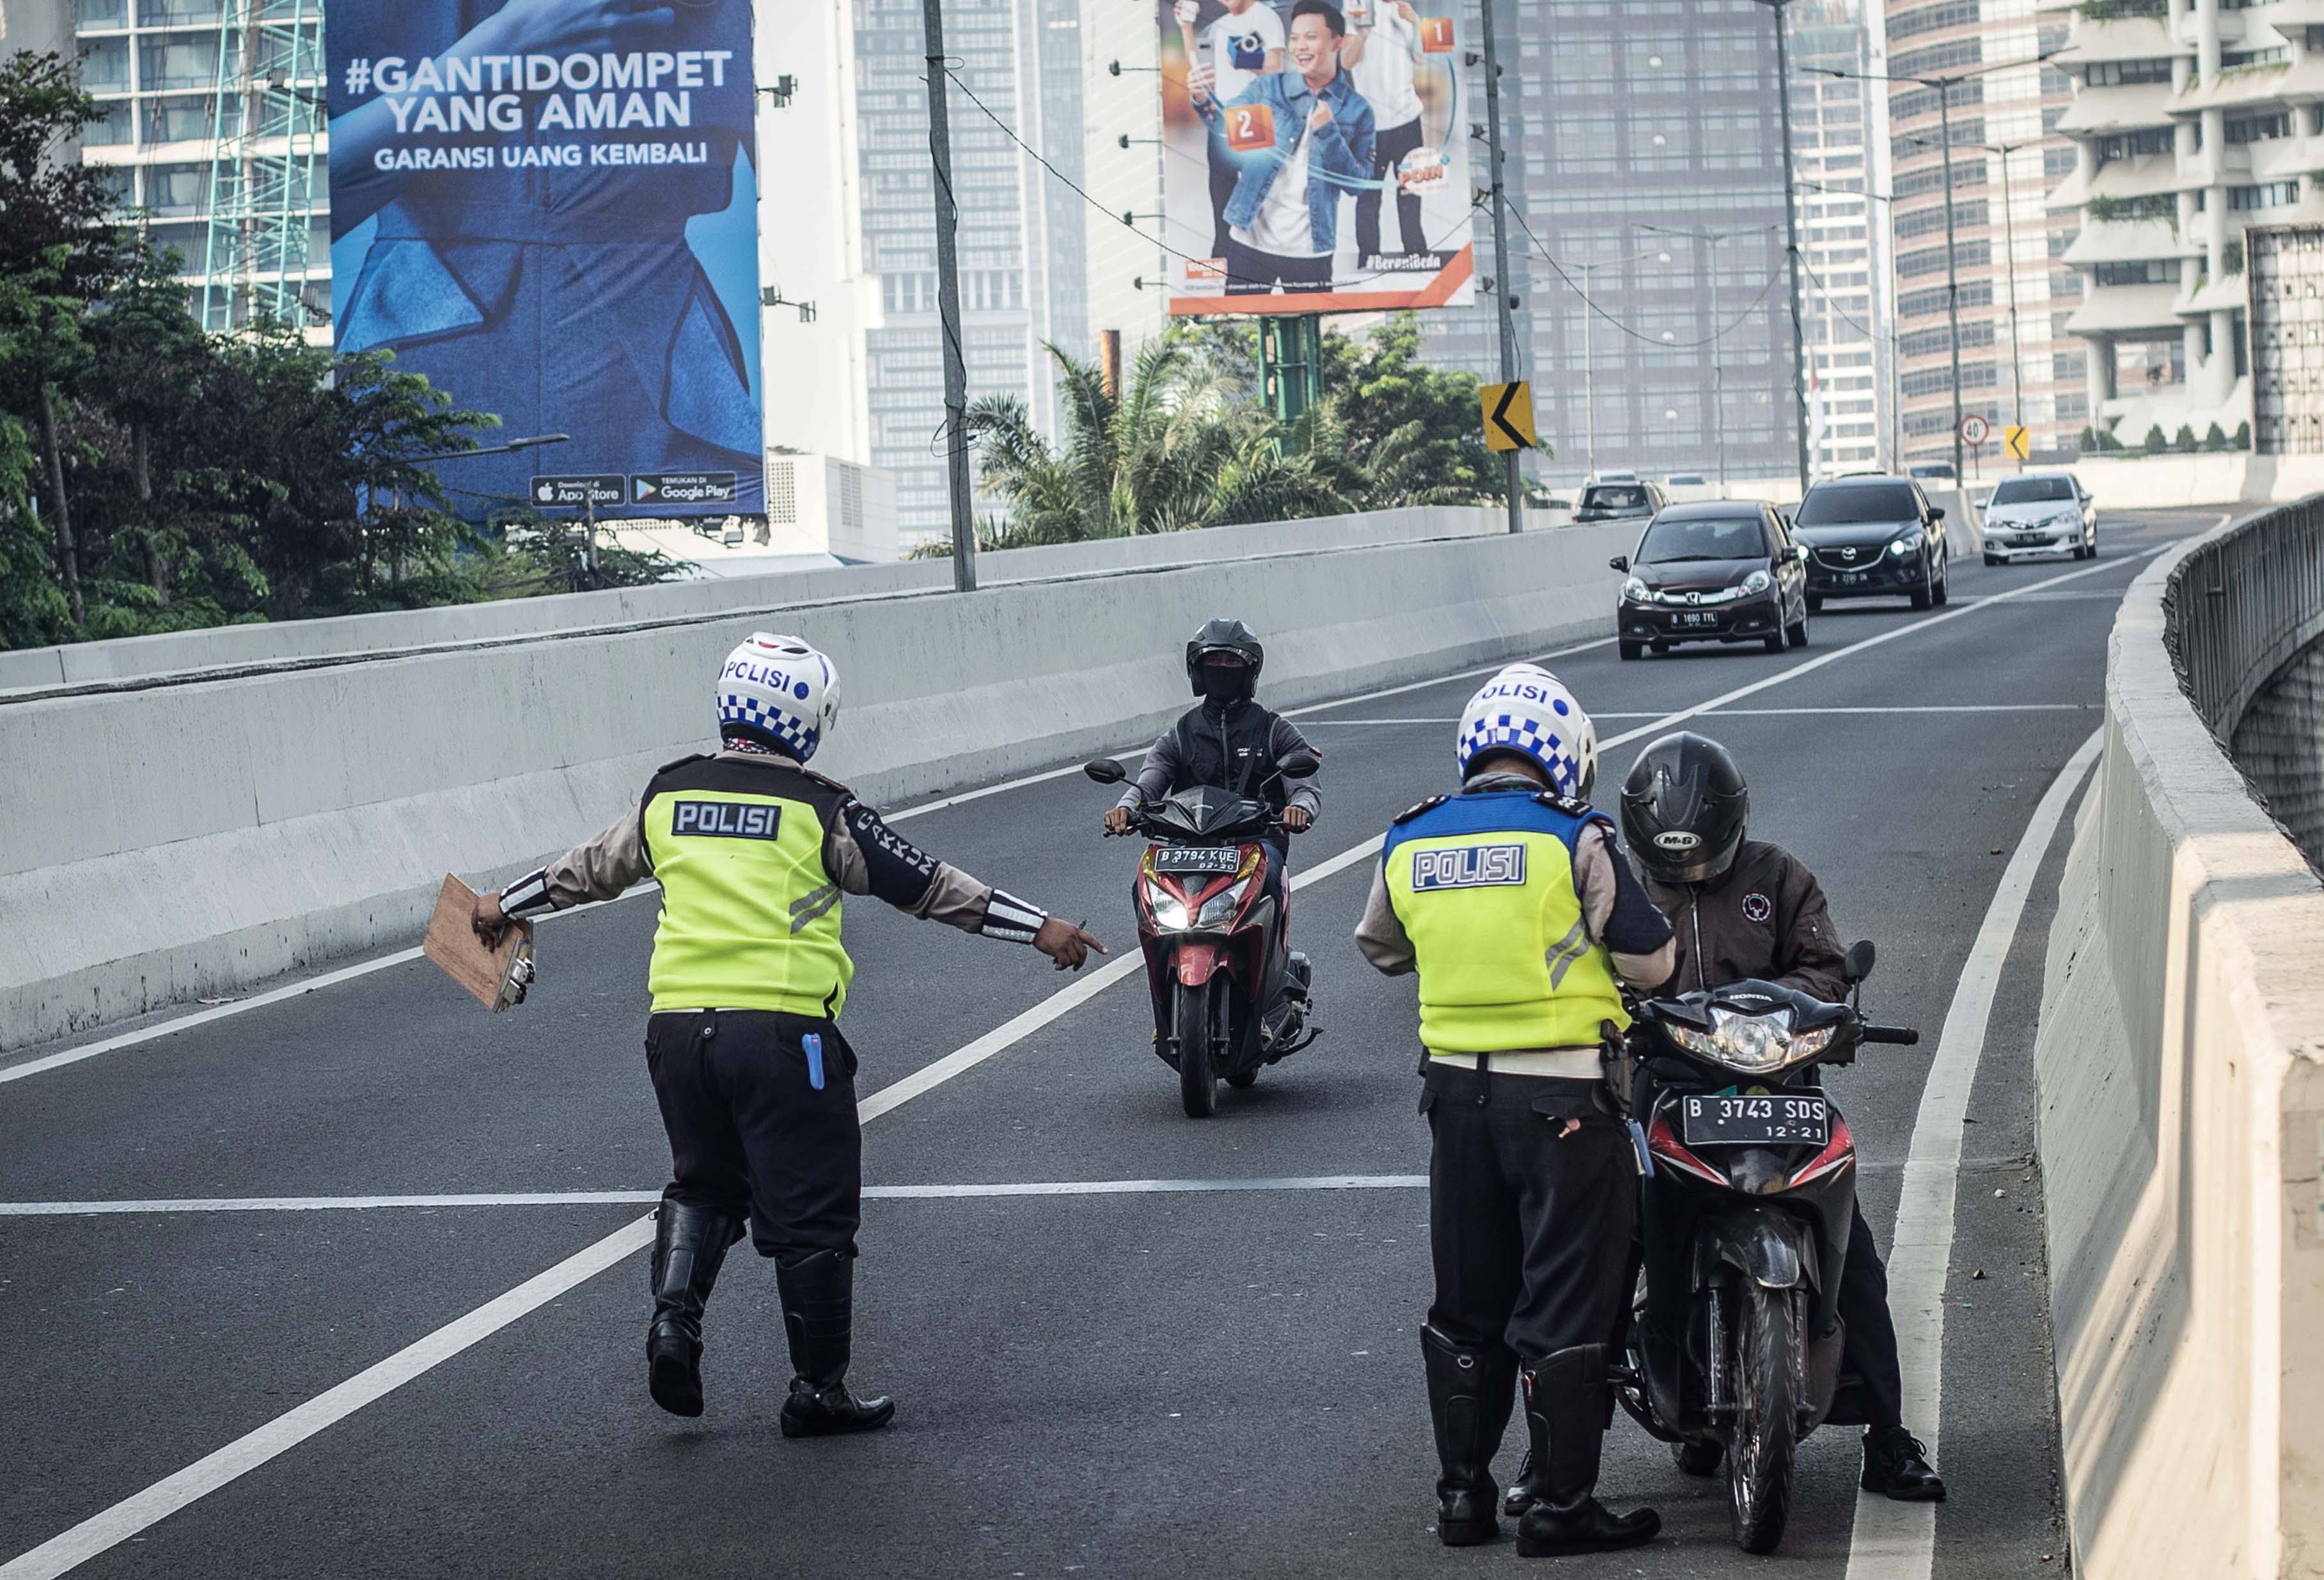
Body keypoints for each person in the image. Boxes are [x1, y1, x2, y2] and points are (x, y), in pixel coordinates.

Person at [471, 633, 1104, 1435]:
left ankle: (674, 1321)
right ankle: (818, 1391)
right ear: (806, 720)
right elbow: (929, 884)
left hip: (674, 1034)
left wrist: (504, 900)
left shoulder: (669, 794)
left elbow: (587, 867)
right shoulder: (820, 808)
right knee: (813, 1209)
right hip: (781, 1034)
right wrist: (1038, 927)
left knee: (704, 1183)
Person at [1355, 664, 1676, 1556]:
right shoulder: (1574, 837)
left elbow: (1379, 947)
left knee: (1467, 1302)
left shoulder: (1410, 837)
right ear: (1563, 755)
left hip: (1455, 1099)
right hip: (1567, 1100)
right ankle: (1560, 1507)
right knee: (1566, 1300)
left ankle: (1463, 1496)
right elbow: (1653, 964)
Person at [1610, 730, 1946, 1503]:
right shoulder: (1616, 889)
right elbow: (1590, 968)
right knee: (1597, 1245)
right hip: (1661, 1089)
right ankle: (1555, 1454)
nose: (1689, 875)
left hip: (1779, 1087)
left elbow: (1824, 964)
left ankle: (1888, 1435)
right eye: (1672, 864)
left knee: (1853, 1255)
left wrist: (1779, 1015)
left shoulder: (1779, 876)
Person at [1105, 618, 1321, 1038]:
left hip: (1255, 843)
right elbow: (1148, 781)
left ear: (1249, 671)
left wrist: (1299, 809)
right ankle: (1166, 994)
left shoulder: (1273, 728)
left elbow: (1306, 785)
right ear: (1198, 671)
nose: (1222, 667)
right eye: (1214, 660)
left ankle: (1268, 990)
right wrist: (1125, 809)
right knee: (1141, 885)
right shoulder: (1181, 733)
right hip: (1186, 845)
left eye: (1231, 661)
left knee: (1272, 878)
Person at [1191, 0, 1377, 295]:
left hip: (1311, 254)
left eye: (1311, 38)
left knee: (1313, 337)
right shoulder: (1268, 89)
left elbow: (1360, 185)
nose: (1300, 47)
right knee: (1240, 330)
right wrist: (1203, 100)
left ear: (1337, 43)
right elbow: (1225, 129)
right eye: (1295, 38)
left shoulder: (1357, 109)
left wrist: (1329, 132)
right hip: (1248, 245)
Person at [1177, 0, 1286, 259]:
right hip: (1222, 115)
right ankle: (1223, 256)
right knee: (1220, 191)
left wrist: (1247, 59)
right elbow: (1198, 63)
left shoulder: (1266, 17)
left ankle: (1260, 259)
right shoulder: (1220, 25)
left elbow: (1275, 66)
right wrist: (1186, 28)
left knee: (1255, 199)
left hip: (1253, 114)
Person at [1341, 0, 1429, 259]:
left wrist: (1416, 22)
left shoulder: (1404, 9)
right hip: (1371, 127)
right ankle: (1369, 256)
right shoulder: (1355, 6)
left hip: (1409, 120)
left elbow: (1420, 59)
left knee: (1411, 193)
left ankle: (1416, 252)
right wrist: (1361, 35)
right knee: (1369, 198)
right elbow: (1345, 62)